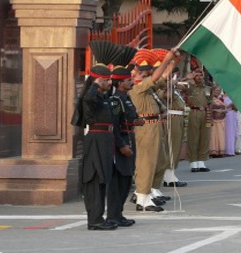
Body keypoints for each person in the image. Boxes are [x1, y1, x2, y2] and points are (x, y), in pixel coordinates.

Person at [74, 44, 122, 230]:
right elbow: (88, 99)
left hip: (105, 141)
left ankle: (99, 217)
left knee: (103, 180)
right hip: (96, 140)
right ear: (97, 81)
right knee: (95, 179)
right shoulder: (90, 97)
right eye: (105, 80)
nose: (109, 83)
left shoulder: (102, 97)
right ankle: (94, 220)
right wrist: (94, 82)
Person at [129, 48, 179, 212]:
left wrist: (175, 60)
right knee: (146, 163)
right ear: (132, 77)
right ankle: (142, 198)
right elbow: (156, 76)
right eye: (139, 74)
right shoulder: (136, 89)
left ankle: (149, 192)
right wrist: (167, 59)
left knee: (160, 160)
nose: (143, 76)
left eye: (145, 74)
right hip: (146, 126)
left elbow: (163, 76)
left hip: (155, 124)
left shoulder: (147, 88)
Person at [107, 56, 138, 228]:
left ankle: (118, 214)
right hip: (122, 143)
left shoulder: (126, 98)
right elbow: (115, 125)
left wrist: (137, 121)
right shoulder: (116, 100)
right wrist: (121, 145)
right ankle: (113, 215)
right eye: (128, 80)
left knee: (127, 179)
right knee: (118, 180)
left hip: (130, 139)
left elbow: (129, 118)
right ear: (119, 84)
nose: (132, 82)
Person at [161, 69, 188, 187]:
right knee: (171, 146)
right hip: (172, 117)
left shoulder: (174, 87)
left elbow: (186, 88)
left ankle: (171, 174)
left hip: (179, 117)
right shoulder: (164, 87)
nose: (175, 77)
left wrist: (178, 82)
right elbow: (168, 97)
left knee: (176, 146)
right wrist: (171, 83)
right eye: (173, 75)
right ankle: (168, 177)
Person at [184, 69, 213, 169]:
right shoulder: (190, 87)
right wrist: (188, 78)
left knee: (205, 137)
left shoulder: (208, 88)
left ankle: (201, 161)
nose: (199, 77)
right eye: (197, 76)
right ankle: (193, 161)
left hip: (206, 113)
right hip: (194, 112)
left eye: (201, 75)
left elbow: (210, 102)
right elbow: (179, 85)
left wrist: (211, 116)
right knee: (193, 137)